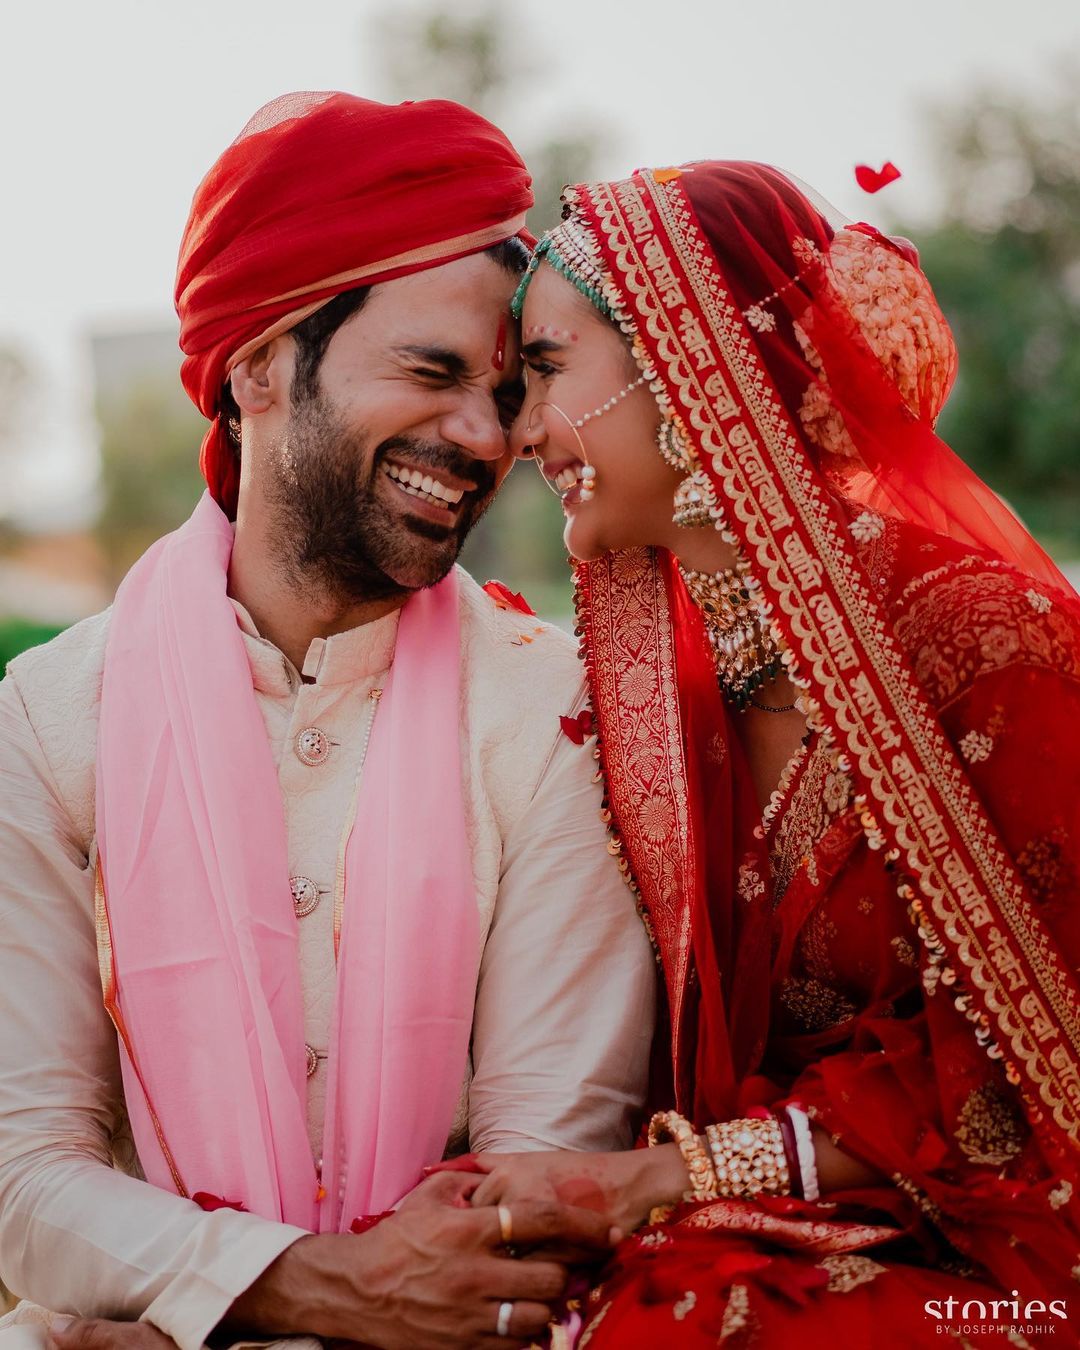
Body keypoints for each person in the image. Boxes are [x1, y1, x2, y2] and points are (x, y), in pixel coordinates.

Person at [0, 93, 657, 1350]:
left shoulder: (558, 708)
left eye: (506, 389)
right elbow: (23, 1180)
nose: (483, 433)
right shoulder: (46, 719)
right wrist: (305, 1287)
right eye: (431, 372)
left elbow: (545, 1156)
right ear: (257, 365)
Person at [467, 161, 1080, 1343]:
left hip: (1012, 1244)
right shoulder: (651, 687)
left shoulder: (989, 645)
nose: (523, 431)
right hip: (765, 1221)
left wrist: (669, 1179)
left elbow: (1036, 1059)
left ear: (695, 363)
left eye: (544, 370)